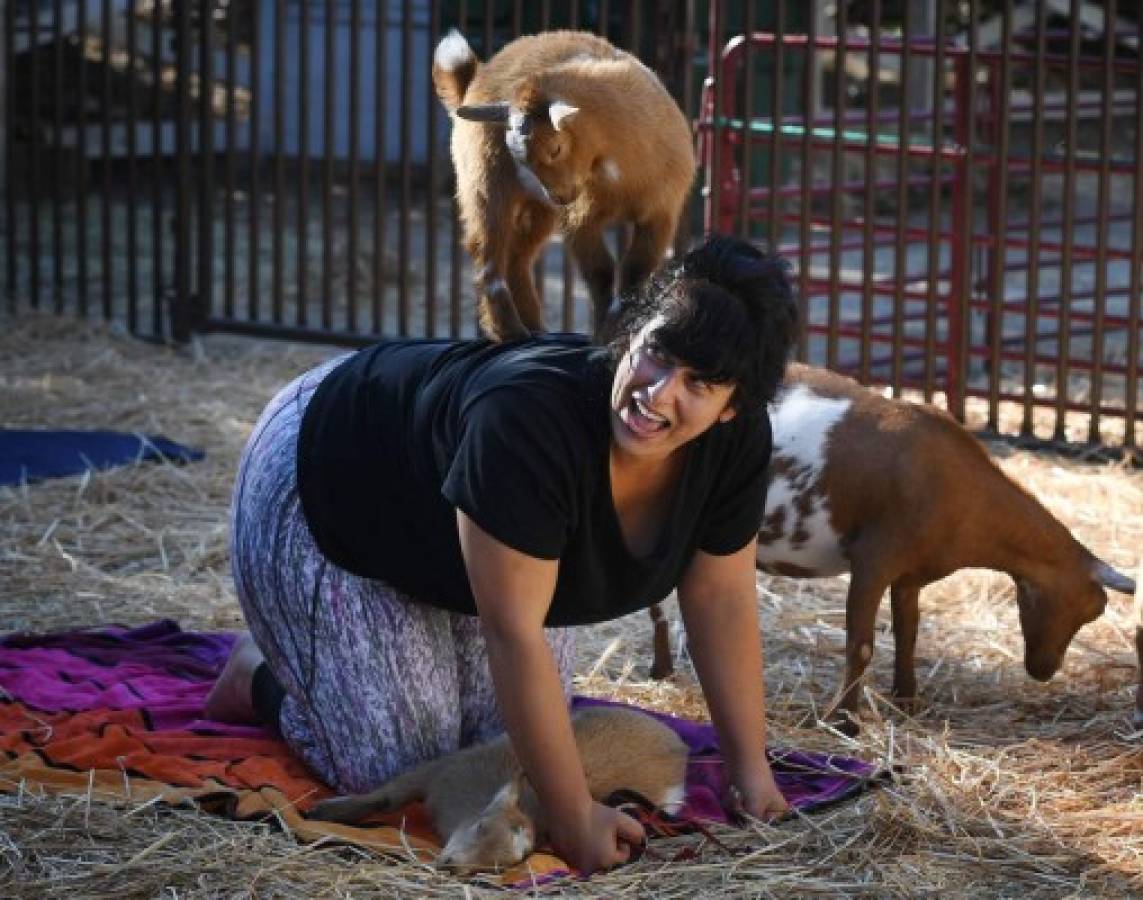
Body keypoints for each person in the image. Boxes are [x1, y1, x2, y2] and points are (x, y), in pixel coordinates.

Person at [206, 233, 798, 874]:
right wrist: (574, 820)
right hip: (332, 479)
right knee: (395, 765)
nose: (656, 393)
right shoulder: (527, 420)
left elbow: (721, 596)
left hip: (462, 545)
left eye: (699, 383)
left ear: (733, 407)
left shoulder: (734, 446)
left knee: (495, 757)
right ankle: (260, 670)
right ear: (631, 334)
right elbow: (513, 631)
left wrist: (750, 772)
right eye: (657, 353)